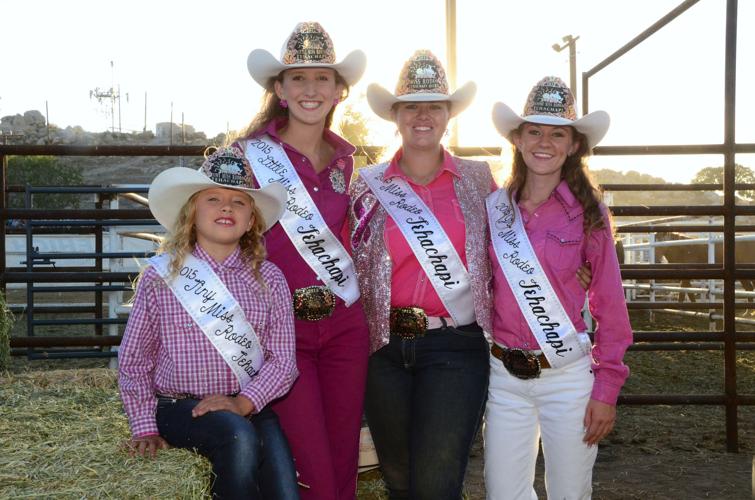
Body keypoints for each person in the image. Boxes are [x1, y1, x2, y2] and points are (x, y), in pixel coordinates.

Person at [349, 50, 493, 500]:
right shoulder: (366, 184)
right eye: (412, 105)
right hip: (384, 349)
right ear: (395, 116)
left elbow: (514, 245)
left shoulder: (479, 179)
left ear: (449, 115)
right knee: (400, 481)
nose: (423, 115)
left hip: (454, 345)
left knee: (436, 484)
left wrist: (576, 270)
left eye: (435, 105)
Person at [118, 146, 299, 500]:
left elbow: (284, 362)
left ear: (251, 221)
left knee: (285, 493)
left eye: (239, 201)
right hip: (180, 408)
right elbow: (135, 358)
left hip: (249, 405)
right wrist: (144, 426)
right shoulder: (162, 277)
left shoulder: (271, 279)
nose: (226, 207)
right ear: (192, 214)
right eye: (213, 198)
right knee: (237, 438)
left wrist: (243, 404)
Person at [237, 22, 369, 500]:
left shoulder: (351, 164)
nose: (311, 89)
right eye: (298, 78)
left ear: (339, 92)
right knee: (311, 467)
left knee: (343, 460)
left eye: (323, 78)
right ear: (280, 89)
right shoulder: (248, 158)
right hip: (281, 331)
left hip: (345, 326)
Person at [483, 76, 633, 499]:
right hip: (504, 374)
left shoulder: (589, 212)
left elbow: (610, 306)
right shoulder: (494, 207)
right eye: (534, 131)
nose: (543, 142)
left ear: (573, 145)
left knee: (570, 493)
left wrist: (606, 389)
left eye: (557, 133)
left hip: (567, 375)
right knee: (502, 493)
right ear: (517, 138)